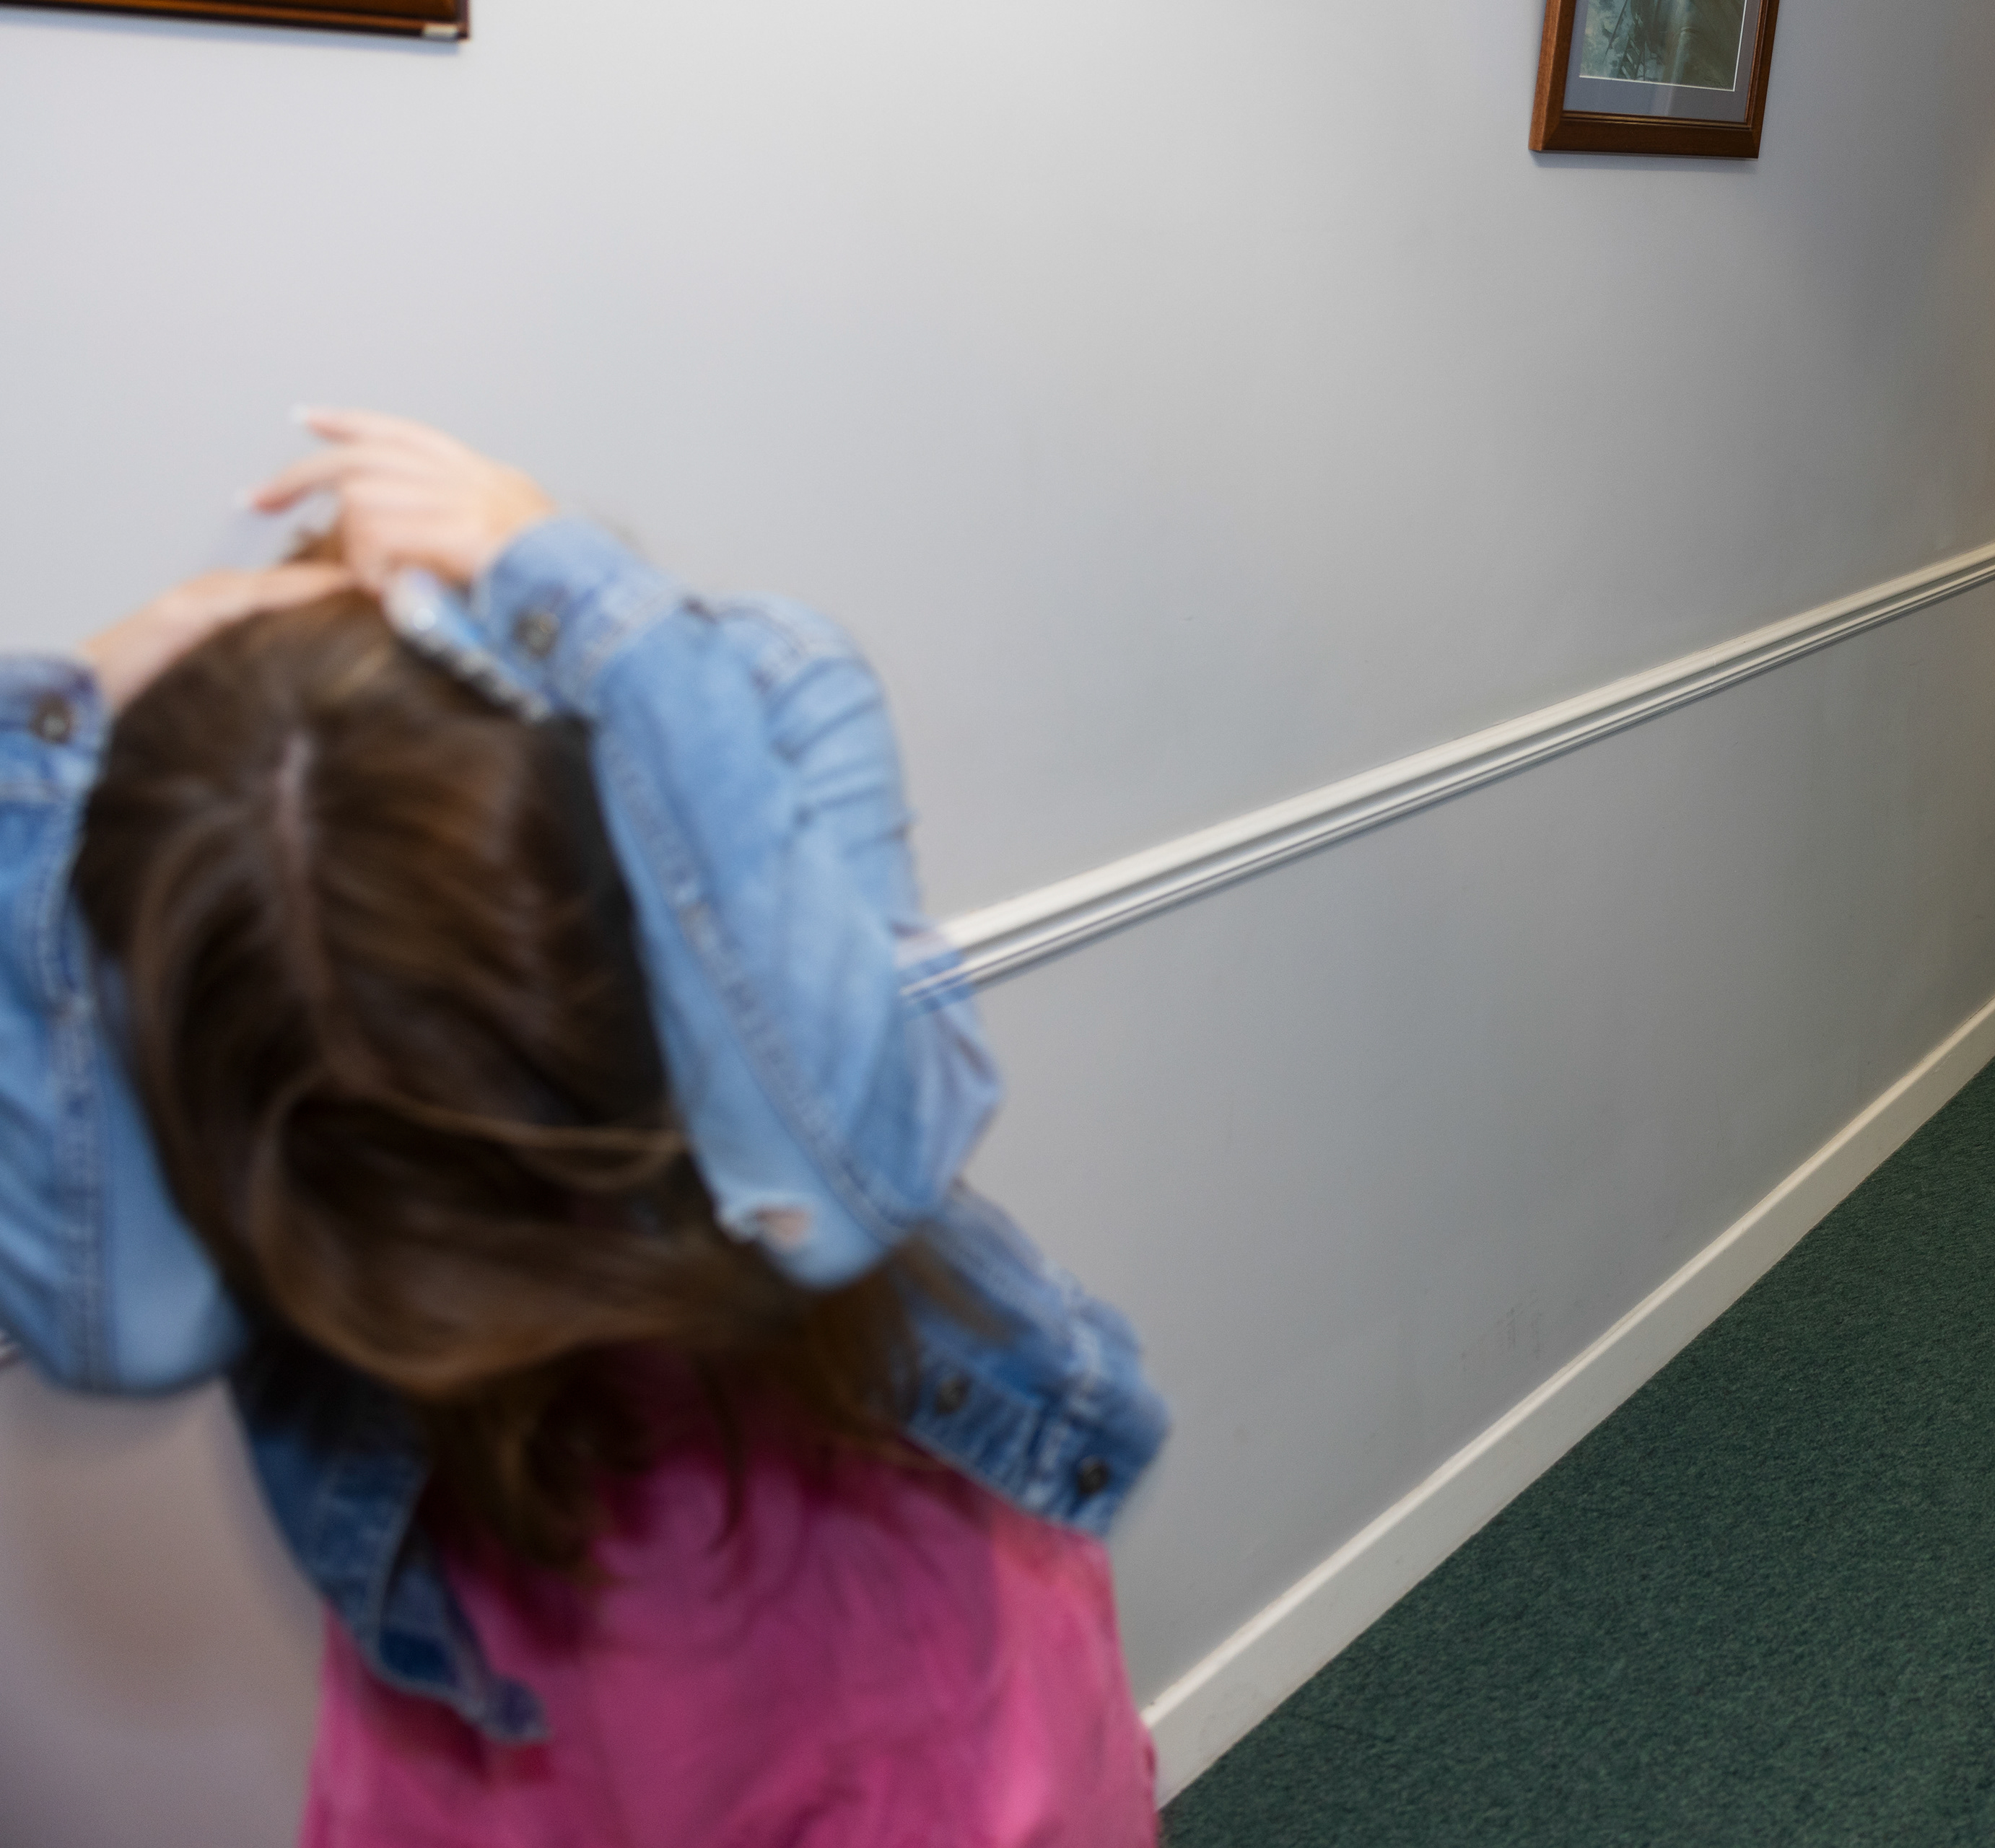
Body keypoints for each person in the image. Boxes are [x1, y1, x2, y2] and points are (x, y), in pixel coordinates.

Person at [0, 412, 1167, 1842]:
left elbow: (837, 1190)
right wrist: (35, 741)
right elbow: (124, 1327)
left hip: (873, 1604)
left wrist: (610, 630)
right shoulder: (251, 959)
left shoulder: (726, 789)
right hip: (503, 1668)